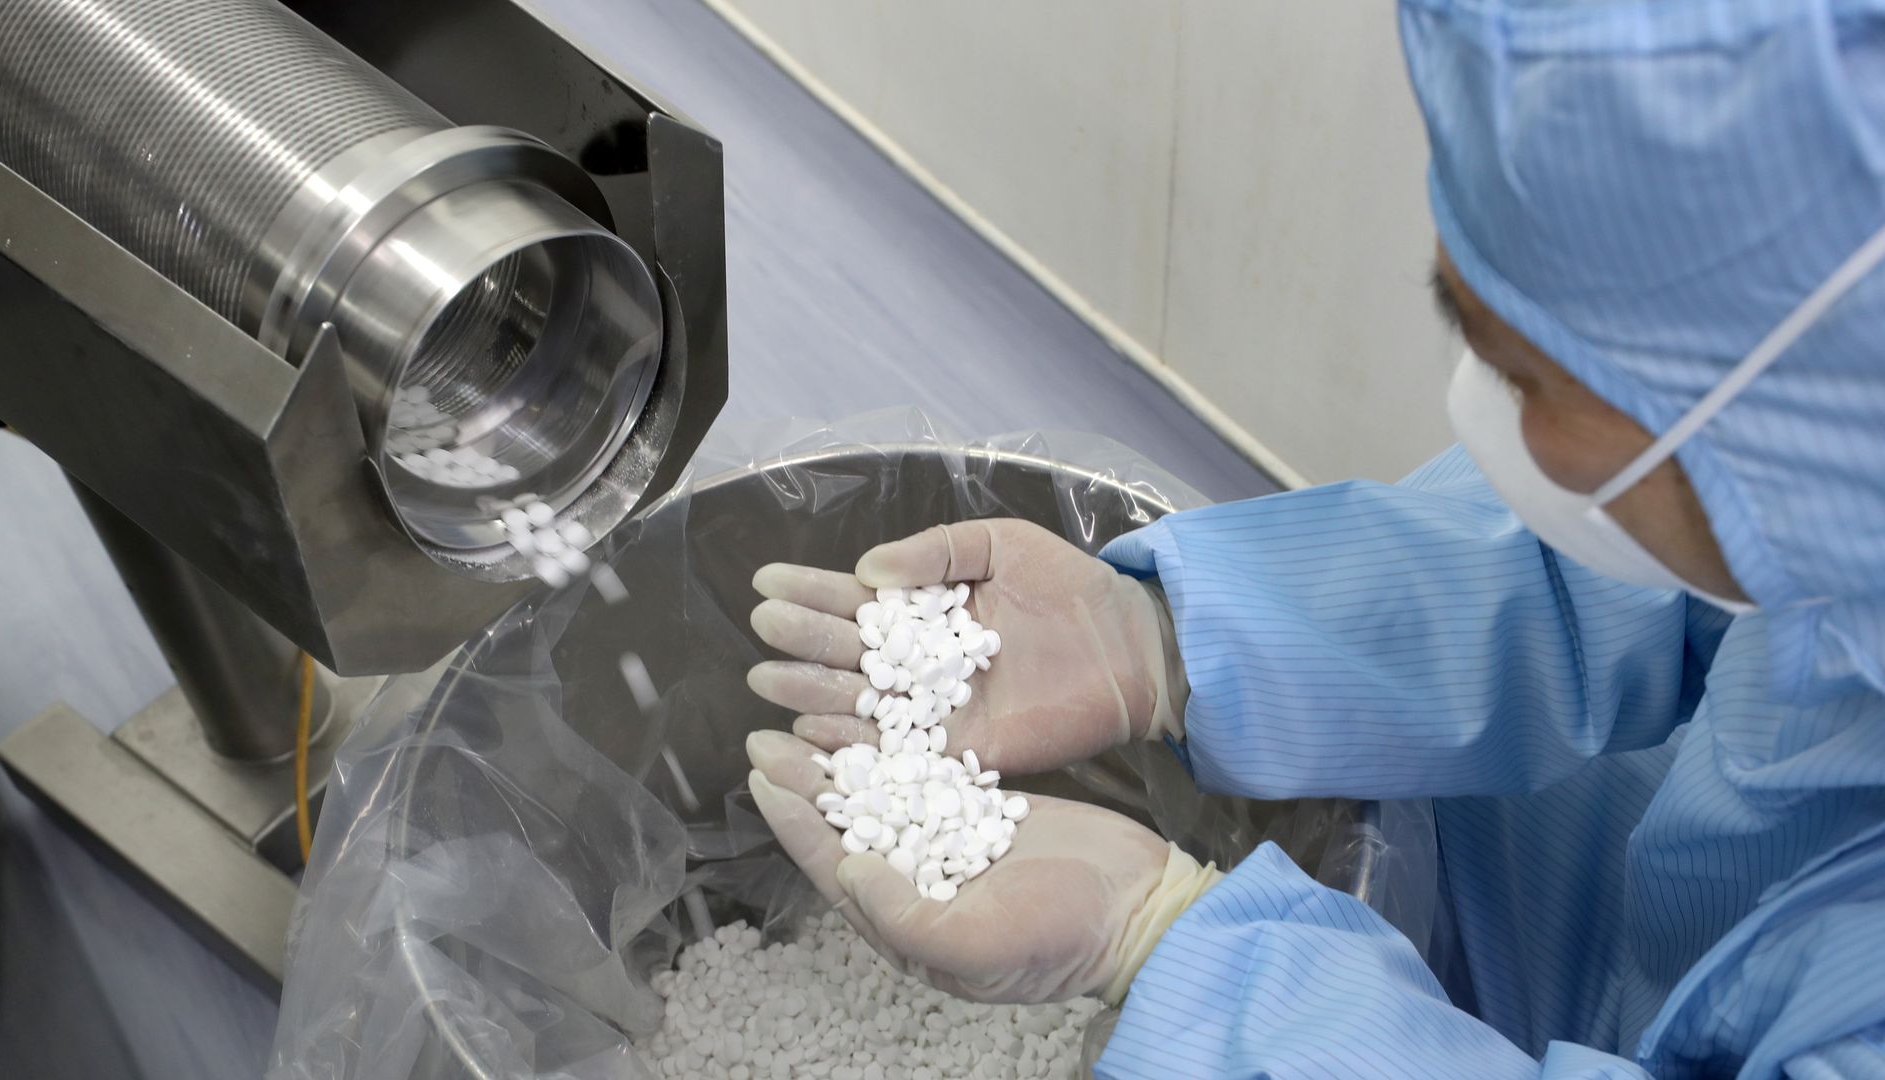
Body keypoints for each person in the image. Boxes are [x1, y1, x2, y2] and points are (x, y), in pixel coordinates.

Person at [740, 1, 1885, 1075]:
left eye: (1525, 374)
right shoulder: (1827, 476)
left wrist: (1172, 947)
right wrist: (1176, 642)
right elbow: (1633, 577)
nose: (1475, 405)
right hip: (1607, 913)